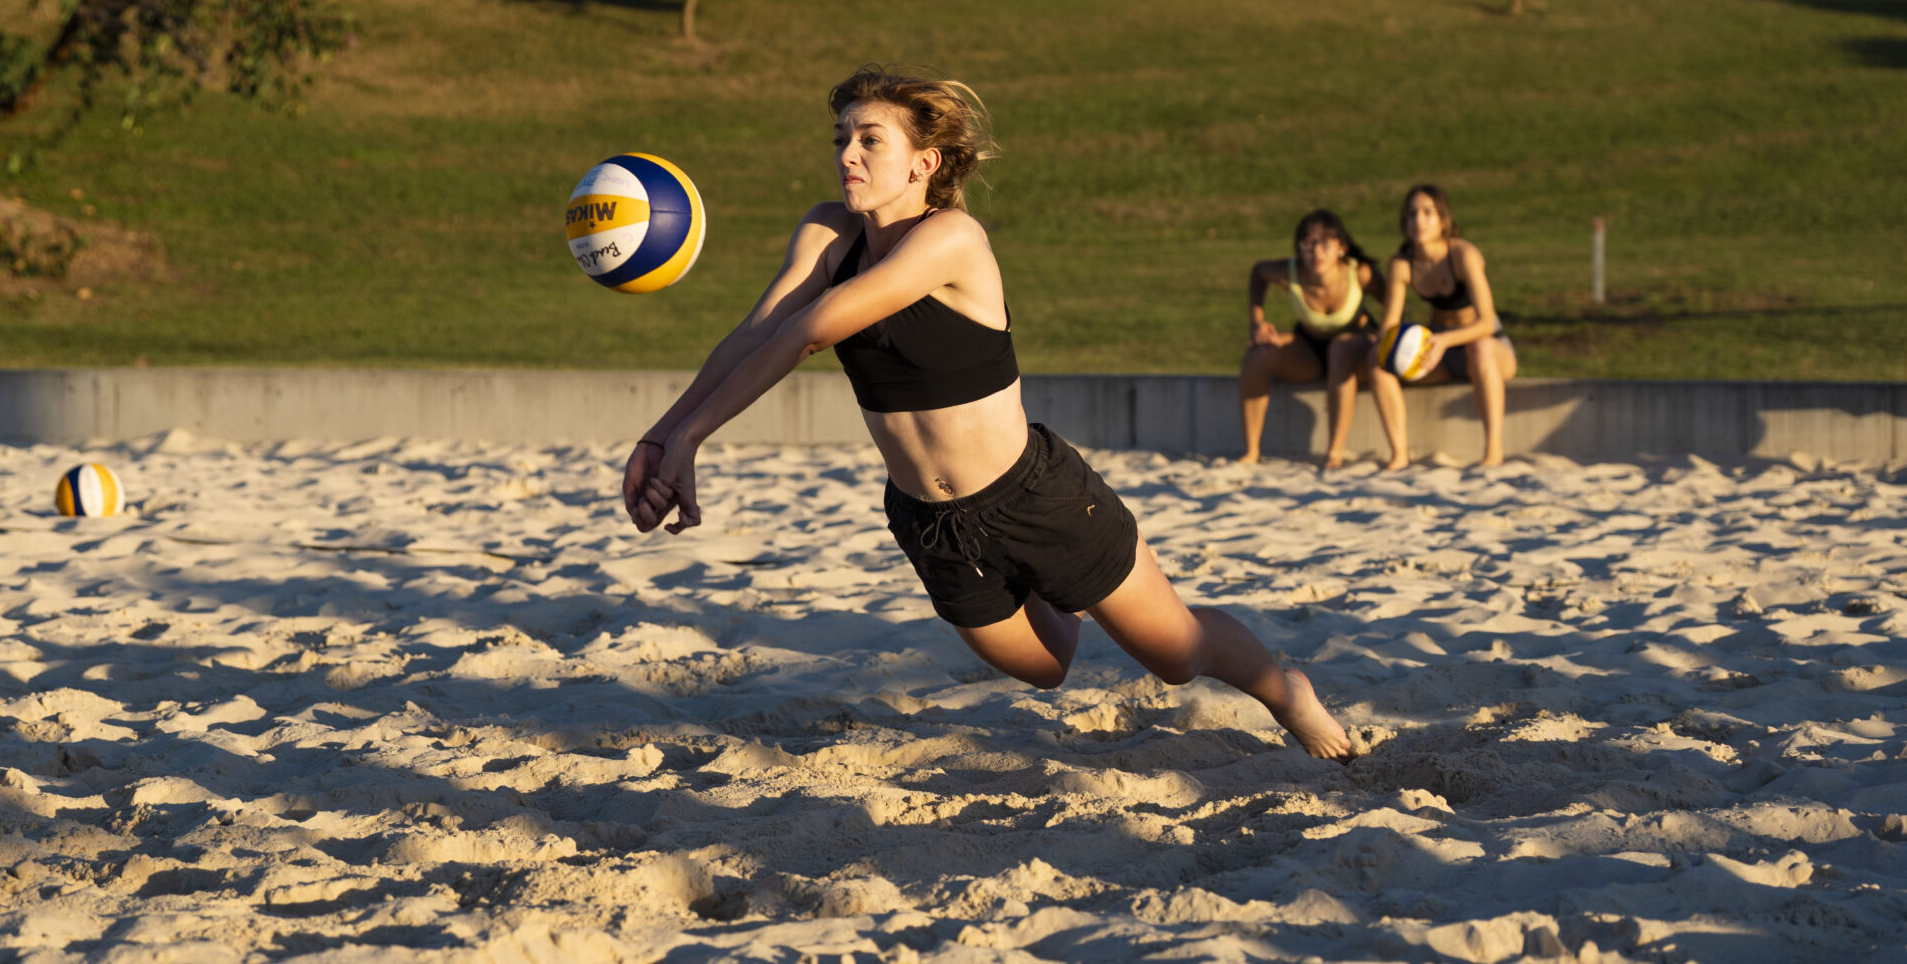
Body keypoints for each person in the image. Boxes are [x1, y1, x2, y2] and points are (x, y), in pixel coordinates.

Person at [622, 67, 1352, 761]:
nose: (848, 153)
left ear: (923, 162)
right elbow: (757, 331)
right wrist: (662, 435)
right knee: (1047, 667)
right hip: (929, 521)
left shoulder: (952, 239)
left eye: (870, 138)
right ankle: (1057, 591)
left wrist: (693, 436)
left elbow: (811, 330)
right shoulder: (826, 235)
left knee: (1177, 657)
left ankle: (1290, 692)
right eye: (841, 138)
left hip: (1035, 496)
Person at [1369, 184, 1519, 469]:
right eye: (1412, 214)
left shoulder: (1463, 254)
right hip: (1439, 350)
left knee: (1481, 349)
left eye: (1428, 213)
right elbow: (1389, 324)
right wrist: (1382, 345)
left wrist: (1445, 341)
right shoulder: (1402, 264)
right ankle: (1399, 455)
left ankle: (1492, 452)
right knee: (1377, 363)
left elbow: (1486, 322)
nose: (1419, 221)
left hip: (1488, 346)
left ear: (1443, 219)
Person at [1236, 209, 1386, 468]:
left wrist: (1382, 335)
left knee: (1341, 348)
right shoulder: (1291, 271)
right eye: (1308, 244)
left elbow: (1394, 303)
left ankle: (1335, 452)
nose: (1316, 252)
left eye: (1325, 244)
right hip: (1310, 349)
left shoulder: (1360, 273)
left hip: (1355, 351)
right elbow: (1258, 272)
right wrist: (1256, 323)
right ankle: (1251, 452)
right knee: (1256, 354)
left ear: (1341, 247)